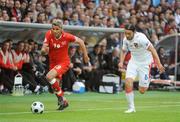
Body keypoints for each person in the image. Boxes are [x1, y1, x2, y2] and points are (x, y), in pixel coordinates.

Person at [41, 19, 89, 111]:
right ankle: (64, 102)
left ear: (61, 29)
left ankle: (62, 97)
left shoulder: (67, 36)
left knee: (49, 77)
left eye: (57, 29)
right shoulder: (48, 34)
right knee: (55, 86)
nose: (54, 31)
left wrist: (85, 55)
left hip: (63, 62)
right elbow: (44, 48)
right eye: (53, 29)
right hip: (53, 62)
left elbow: (81, 42)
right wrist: (43, 51)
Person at [118, 24, 165, 113]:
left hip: (145, 63)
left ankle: (148, 79)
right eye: (125, 33)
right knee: (128, 82)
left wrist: (159, 64)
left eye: (129, 34)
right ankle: (131, 108)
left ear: (134, 32)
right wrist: (121, 61)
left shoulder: (141, 38)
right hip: (133, 62)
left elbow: (153, 50)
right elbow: (124, 51)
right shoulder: (125, 39)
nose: (127, 36)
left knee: (142, 90)